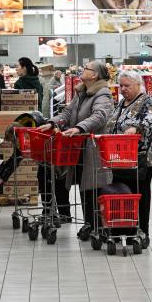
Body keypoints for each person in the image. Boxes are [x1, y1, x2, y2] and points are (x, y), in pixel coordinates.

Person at [38, 60, 114, 240]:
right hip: (77, 147)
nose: (83, 70)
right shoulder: (81, 93)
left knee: (92, 187)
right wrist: (52, 122)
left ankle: (96, 226)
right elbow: (67, 112)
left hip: (93, 149)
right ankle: (89, 224)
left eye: (87, 69)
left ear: (95, 75)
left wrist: (80, 128)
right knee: (82, 186)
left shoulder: (103, 93)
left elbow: (100, 116)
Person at [105, 70, 152, 242]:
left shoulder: (147, 101)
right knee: (122, 192)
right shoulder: (122, 103)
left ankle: (142, 231)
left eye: (127, 85)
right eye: (121, 85)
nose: (123, 89)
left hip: (142, 158)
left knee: (140, 193)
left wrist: (136, 128)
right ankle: (126, 228)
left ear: (138, 85)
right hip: (121, 157)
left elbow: (151, 119)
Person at [0, 112, 71, 221]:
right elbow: (14, 160)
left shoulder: (40, 125)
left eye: (13, 142)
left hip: (59, 154)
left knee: (60, 182)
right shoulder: (21, 134)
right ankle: (48, 213)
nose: (15, 145)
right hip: (45, 158)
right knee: (42, 178)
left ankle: (65, 214)